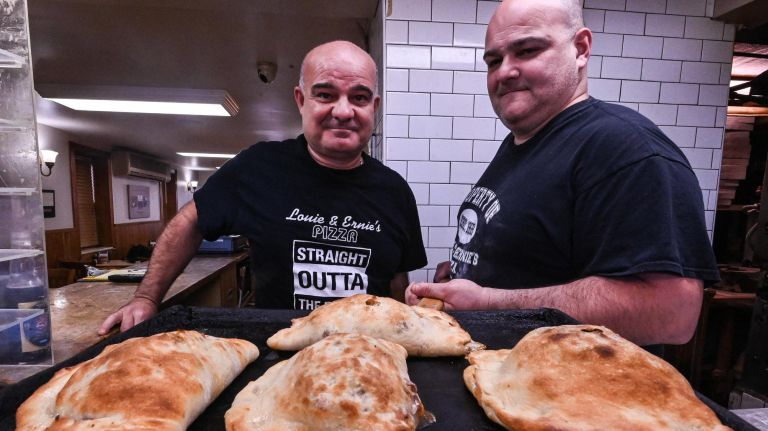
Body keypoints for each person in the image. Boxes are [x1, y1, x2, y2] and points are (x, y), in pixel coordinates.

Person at [405, 0, 719, 346]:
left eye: (527, 50)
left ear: (581, 48)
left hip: (572, 395)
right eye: (494, 60)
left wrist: (488, 303)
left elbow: (670, 311)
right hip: (509, 384)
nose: (505, 72)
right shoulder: (524, 145)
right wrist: (465, 275)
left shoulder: (627, 149)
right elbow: (535, 260)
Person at [99, 41, 427, 334]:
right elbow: (190, 221)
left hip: (367, 360)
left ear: (375, 107)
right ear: (301, 100)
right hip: (281, 357)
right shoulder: (258, 168)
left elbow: (397, 284)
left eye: (359, 97)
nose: (343, 111)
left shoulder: (395, 192)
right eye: (325, 95)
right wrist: (145, 298)